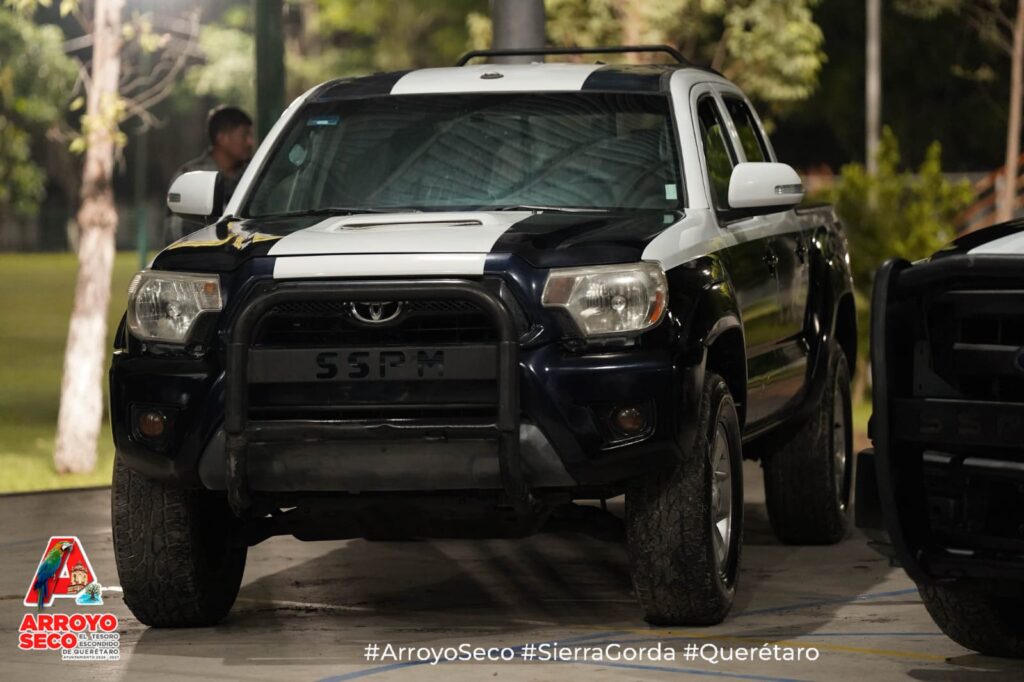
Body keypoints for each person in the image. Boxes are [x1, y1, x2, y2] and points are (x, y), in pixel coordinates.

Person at [164, 105, 255, 244]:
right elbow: (176, 234)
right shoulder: (191, 177)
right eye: (244, 135)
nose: (250, 142)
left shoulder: (252, 174)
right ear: (222, 138)